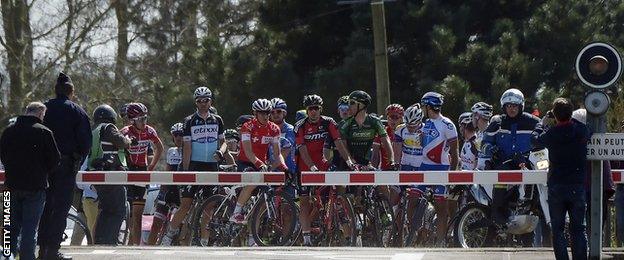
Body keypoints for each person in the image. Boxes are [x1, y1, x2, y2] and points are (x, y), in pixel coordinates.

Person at [161, 86, 227, 246]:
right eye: (200, 101)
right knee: (185, 205)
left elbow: (223, 141)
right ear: (196, 102)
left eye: (206, 100)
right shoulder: (189, 121)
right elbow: (187, 147)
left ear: (211, 101)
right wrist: (184, 170)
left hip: (211, 165)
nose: (203, 104)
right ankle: (168, 237)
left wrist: (221, 151)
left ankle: (204, 241)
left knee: (208, 207)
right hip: (194, 166)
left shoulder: (217, 119)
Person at [38, 72, 92, 260]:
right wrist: (77, 160)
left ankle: (42, 249)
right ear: (71, 92)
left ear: (56, 90)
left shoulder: (43, 109)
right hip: (66, 165)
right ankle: (52, 251)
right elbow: (86, 143)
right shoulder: (77, 112)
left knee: (44, 207)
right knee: (60, 208)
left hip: (43, 167)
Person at [0, 102, 60, 260]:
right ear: (41, 114)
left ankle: (7, 257)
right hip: (35, 186)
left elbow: (3, 155)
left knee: (9, 227)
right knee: (30, 228)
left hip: (10, 186)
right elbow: (55, 160)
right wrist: (43, 171)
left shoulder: (8, 131)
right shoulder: (45, 132)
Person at [479, 88, 539, 245]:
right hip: (503, 166)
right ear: (503, 107)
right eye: (508, 105)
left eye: (515, 105)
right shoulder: (497, 122)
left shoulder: (532, 121)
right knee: (500, 190)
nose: (512, 108)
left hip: (528, 165)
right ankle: (498, 218)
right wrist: (492, 149)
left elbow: (543, 138)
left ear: (521, 106)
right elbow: (484, 144)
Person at [532, 98, 589, 260]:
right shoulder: (580, 131)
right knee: (578, 229)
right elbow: (589, 131)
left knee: (557, 229)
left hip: (557, 186)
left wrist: (541, 123)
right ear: (571, 113)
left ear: (555, 116)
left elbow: (534, 140)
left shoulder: (551, 134)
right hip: (577, 186)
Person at [294, 94, 351, 246]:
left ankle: (347, 233)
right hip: (304, 167)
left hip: (323, 164)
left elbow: (338, 143)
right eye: (310, 109)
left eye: (316, 108)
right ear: (307, 110)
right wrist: (311, 166)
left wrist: (349, 161)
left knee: (338, 189)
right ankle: (306, 238)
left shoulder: (329, 122)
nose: (313, 112)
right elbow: (302, 149)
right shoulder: (300, 125)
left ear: (321, 109)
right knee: (305, 202)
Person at [230, 98, 288, 224]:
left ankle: (252, 239)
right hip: (246, 161)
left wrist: (284, 167)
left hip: (261, 164)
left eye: (268, 112)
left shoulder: (274, 129)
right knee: (253, 181)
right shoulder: (248, 127)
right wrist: (260, 164)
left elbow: (278, 154)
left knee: (260, 203)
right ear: (255, 114)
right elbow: (248, 151)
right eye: (262, 113)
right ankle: (236, 212)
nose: (265, 115)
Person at [119, 102, 164, 245]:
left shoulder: (149, 131)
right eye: (141, 119)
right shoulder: (125, 131)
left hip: (142, 172)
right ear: (132, 120)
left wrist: (151, 167)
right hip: (128, 171)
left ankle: (135, 249)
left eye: (145, 118)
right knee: (127, 214)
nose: (144, 122)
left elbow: (160, 147)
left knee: (137, 217)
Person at [419, 92, 459, 245]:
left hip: (442, 168)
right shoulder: (426, 123)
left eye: (424, 106)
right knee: (412, 199)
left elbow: (454, 152)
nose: (423, 109)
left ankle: (440, 243)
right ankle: (420, 233)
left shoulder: (447, 124)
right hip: (424, 167)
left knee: (441, 208)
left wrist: (452, 175)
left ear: (429, 106)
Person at [88, 105, 131, 245]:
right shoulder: (108, 127)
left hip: (96, 174)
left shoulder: (93, 130)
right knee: (118, 210)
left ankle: (100, 240)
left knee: (106, 210)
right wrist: (128, 140)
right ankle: (110, 240)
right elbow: (121, 141)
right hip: (111, 174)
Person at [147, 123, 183, 245]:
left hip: (181, 193)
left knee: (180, 229)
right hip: (168, 191)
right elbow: (167, 171)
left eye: (181, 135)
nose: (179, 137)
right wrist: (160, 194)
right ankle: (147, 253)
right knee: (155, 225)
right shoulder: (171, 151)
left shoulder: (190, 152)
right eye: (176, 135)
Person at [339, 90, 394, 170]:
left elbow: (386, 140)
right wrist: (351, 162)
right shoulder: (345, 123)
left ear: (361, 105)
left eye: (352, 103)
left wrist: (392, 161)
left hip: (365, 164)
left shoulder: (374, 121)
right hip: (347, 163)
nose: (348, 106)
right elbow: (343, 145)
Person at [372, 104, 404, 170]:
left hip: (402, 169)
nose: (392, 120)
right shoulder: (381, 132)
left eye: (395, 117)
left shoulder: (405, 132)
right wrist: (372, 172)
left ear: (401, 119)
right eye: (389, 117)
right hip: (384, 170)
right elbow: (375, 155)